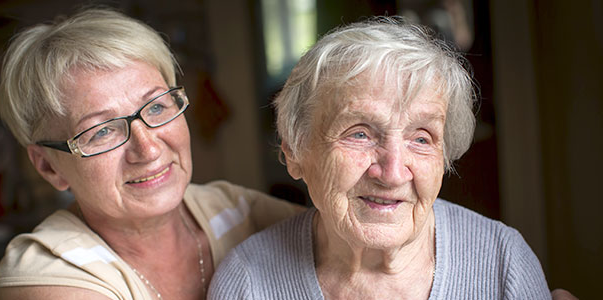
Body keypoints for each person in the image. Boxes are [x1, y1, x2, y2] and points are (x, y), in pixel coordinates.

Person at [208, 17, 553, 299]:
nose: (392, 173)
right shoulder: (248, 282)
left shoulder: (502, 263)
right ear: (294, 152)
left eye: (421, 138)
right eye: (359, 133)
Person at [0, 8, 302, 300]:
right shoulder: (46, 271)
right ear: (49, 167)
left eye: (156, 107)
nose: (149, 149)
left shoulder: (234, 210)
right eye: (102, 131)